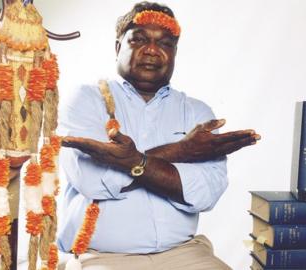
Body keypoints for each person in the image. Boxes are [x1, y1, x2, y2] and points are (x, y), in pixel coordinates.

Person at [56, 2, 261, 269]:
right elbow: (93, 181)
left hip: (183, 254)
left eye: (165, 43)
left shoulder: (198, 113)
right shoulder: (86, 100)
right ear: (118, 47)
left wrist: (128, 161)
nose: (152, 49)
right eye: (139, 39)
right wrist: (181, 152)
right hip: (101, 255)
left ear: (175, 53)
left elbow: (205, 193)